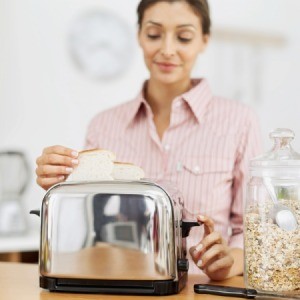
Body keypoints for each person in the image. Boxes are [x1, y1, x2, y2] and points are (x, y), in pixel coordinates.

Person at [36, 0, 262, 280]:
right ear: (139, 35)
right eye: (154, 35)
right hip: (117, 289)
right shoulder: (103, 126)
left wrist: (231, 261)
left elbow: (253, 232)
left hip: (199, 291)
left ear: (204, 40)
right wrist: (60, 184)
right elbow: (89, 225)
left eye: (184, 37)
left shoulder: (239, 122)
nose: (167, 50)